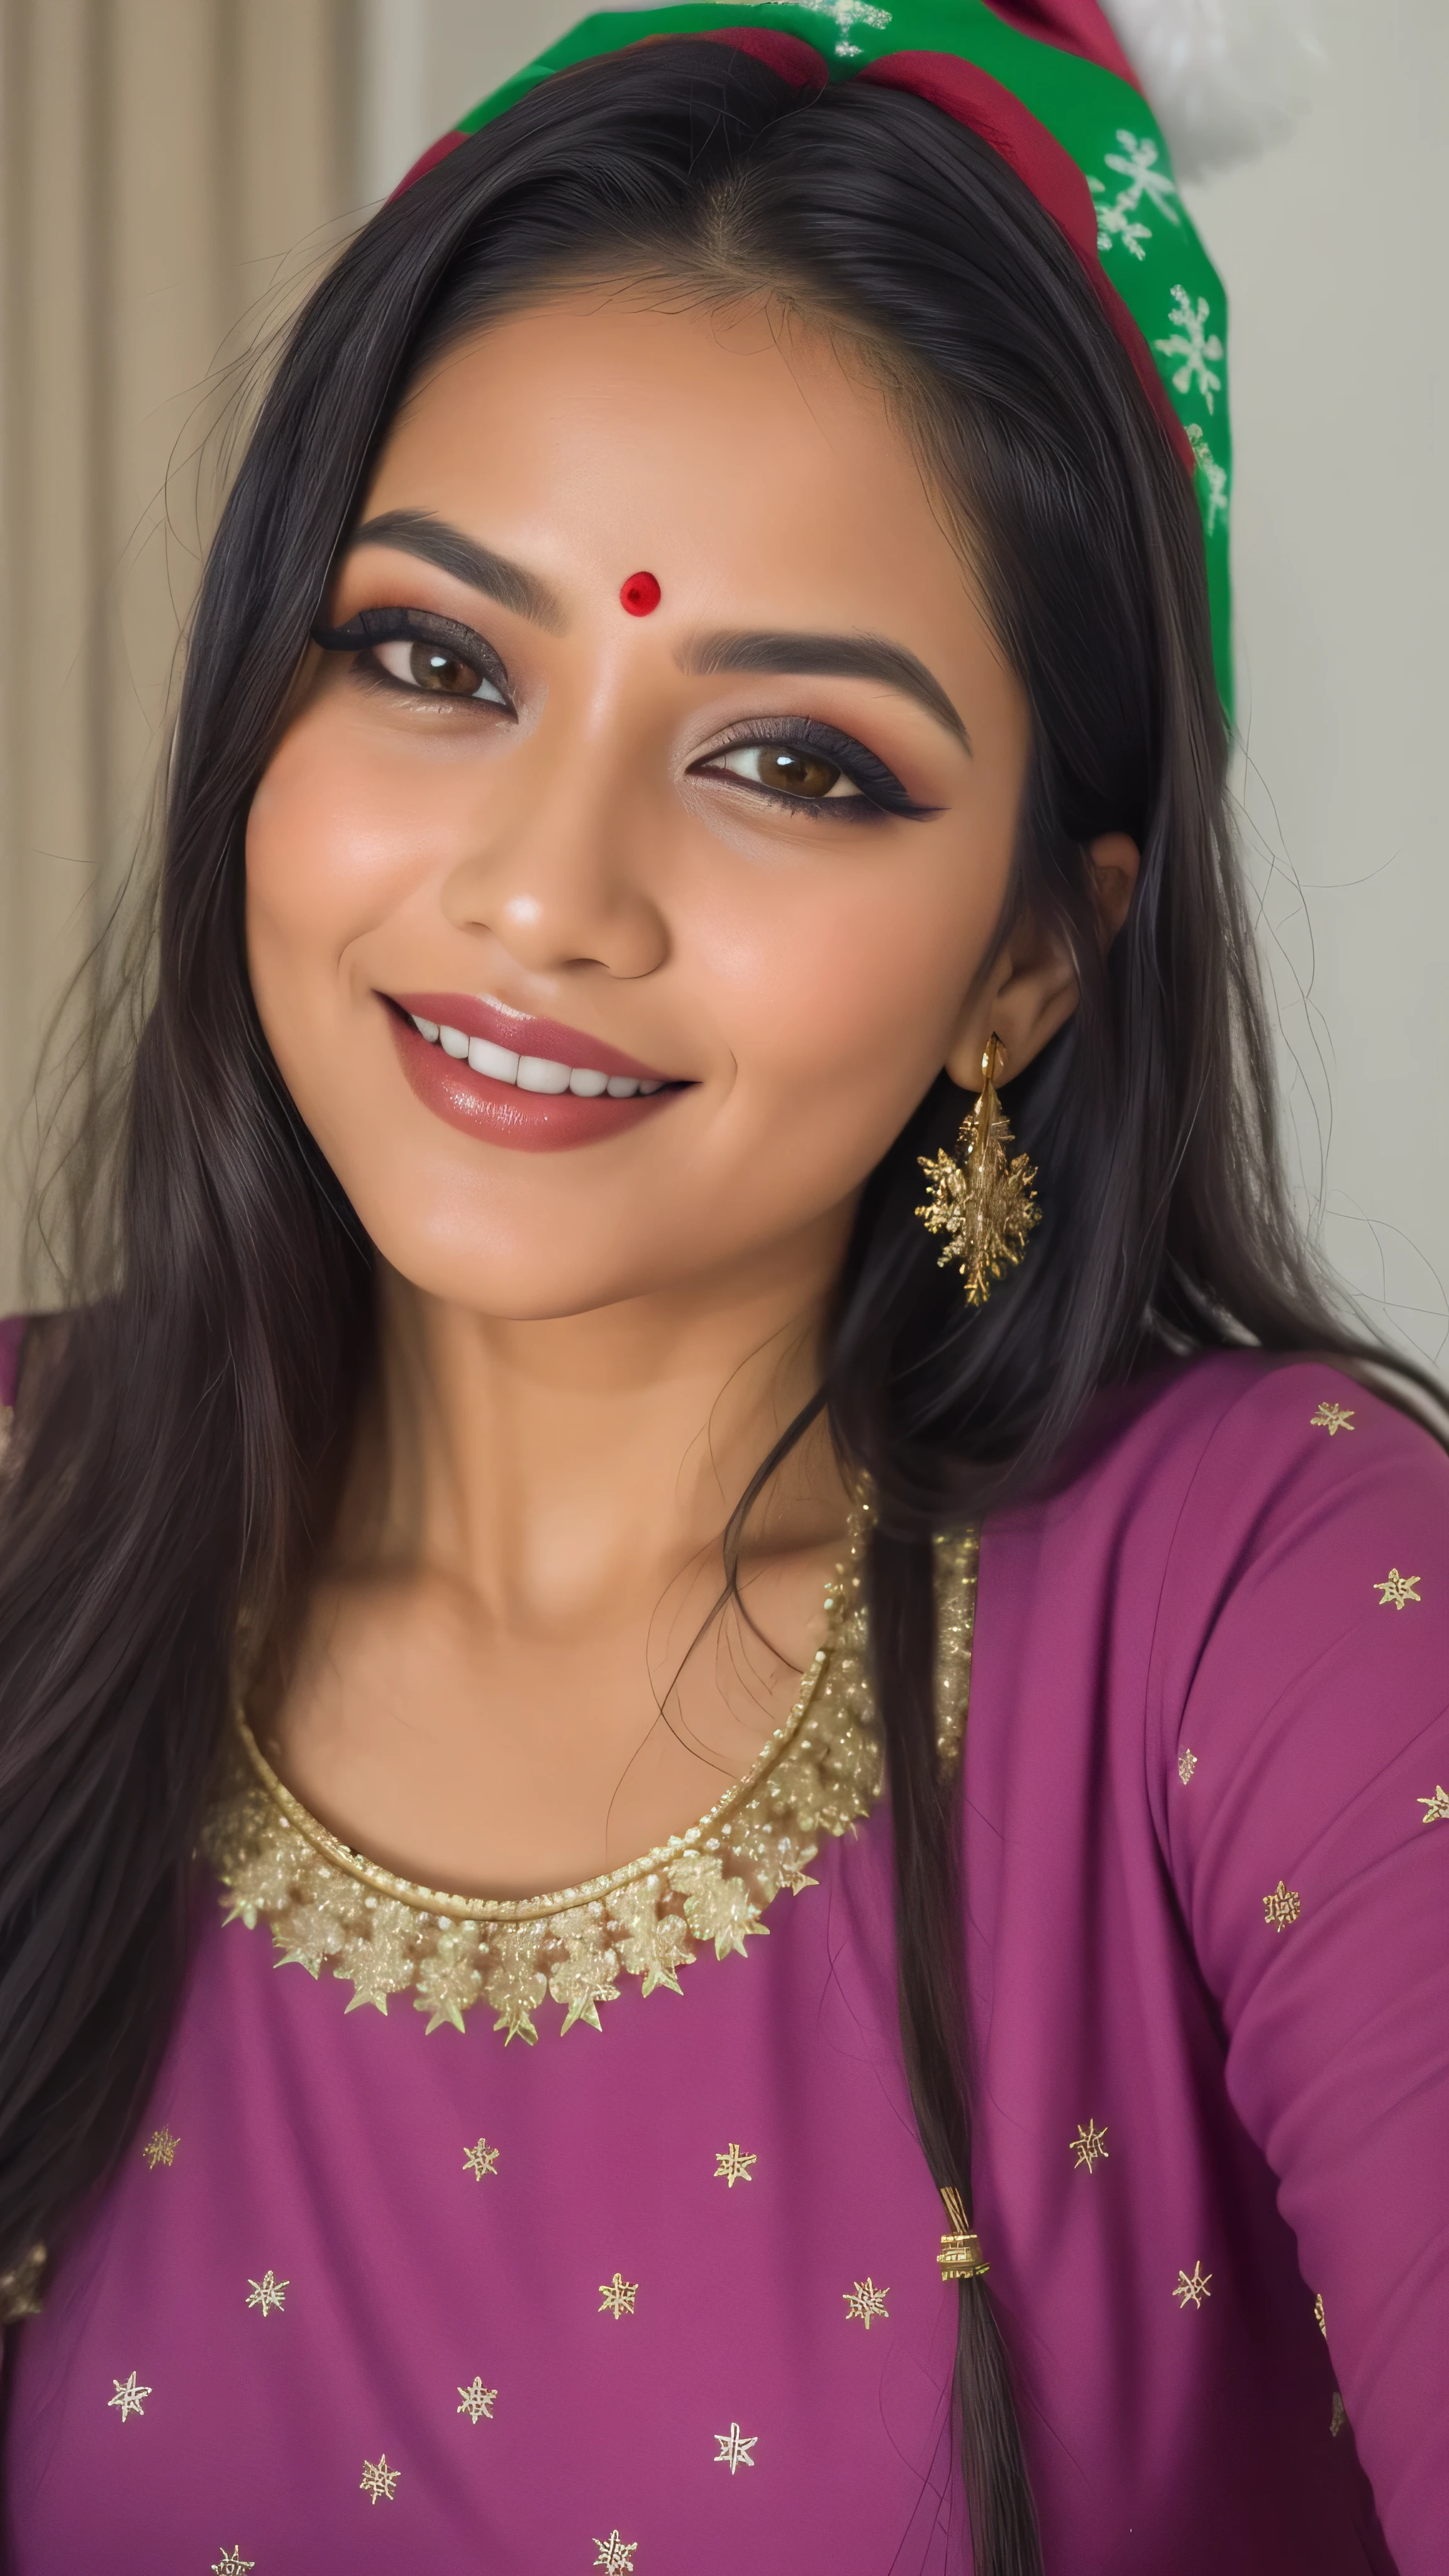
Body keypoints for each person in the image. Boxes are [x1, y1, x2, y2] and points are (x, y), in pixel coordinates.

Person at [0, 7, 1442, 2570]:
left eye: (793, 760)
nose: (548, 891)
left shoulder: (1275, 1610)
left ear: (1033, 961)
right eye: (438, 660)